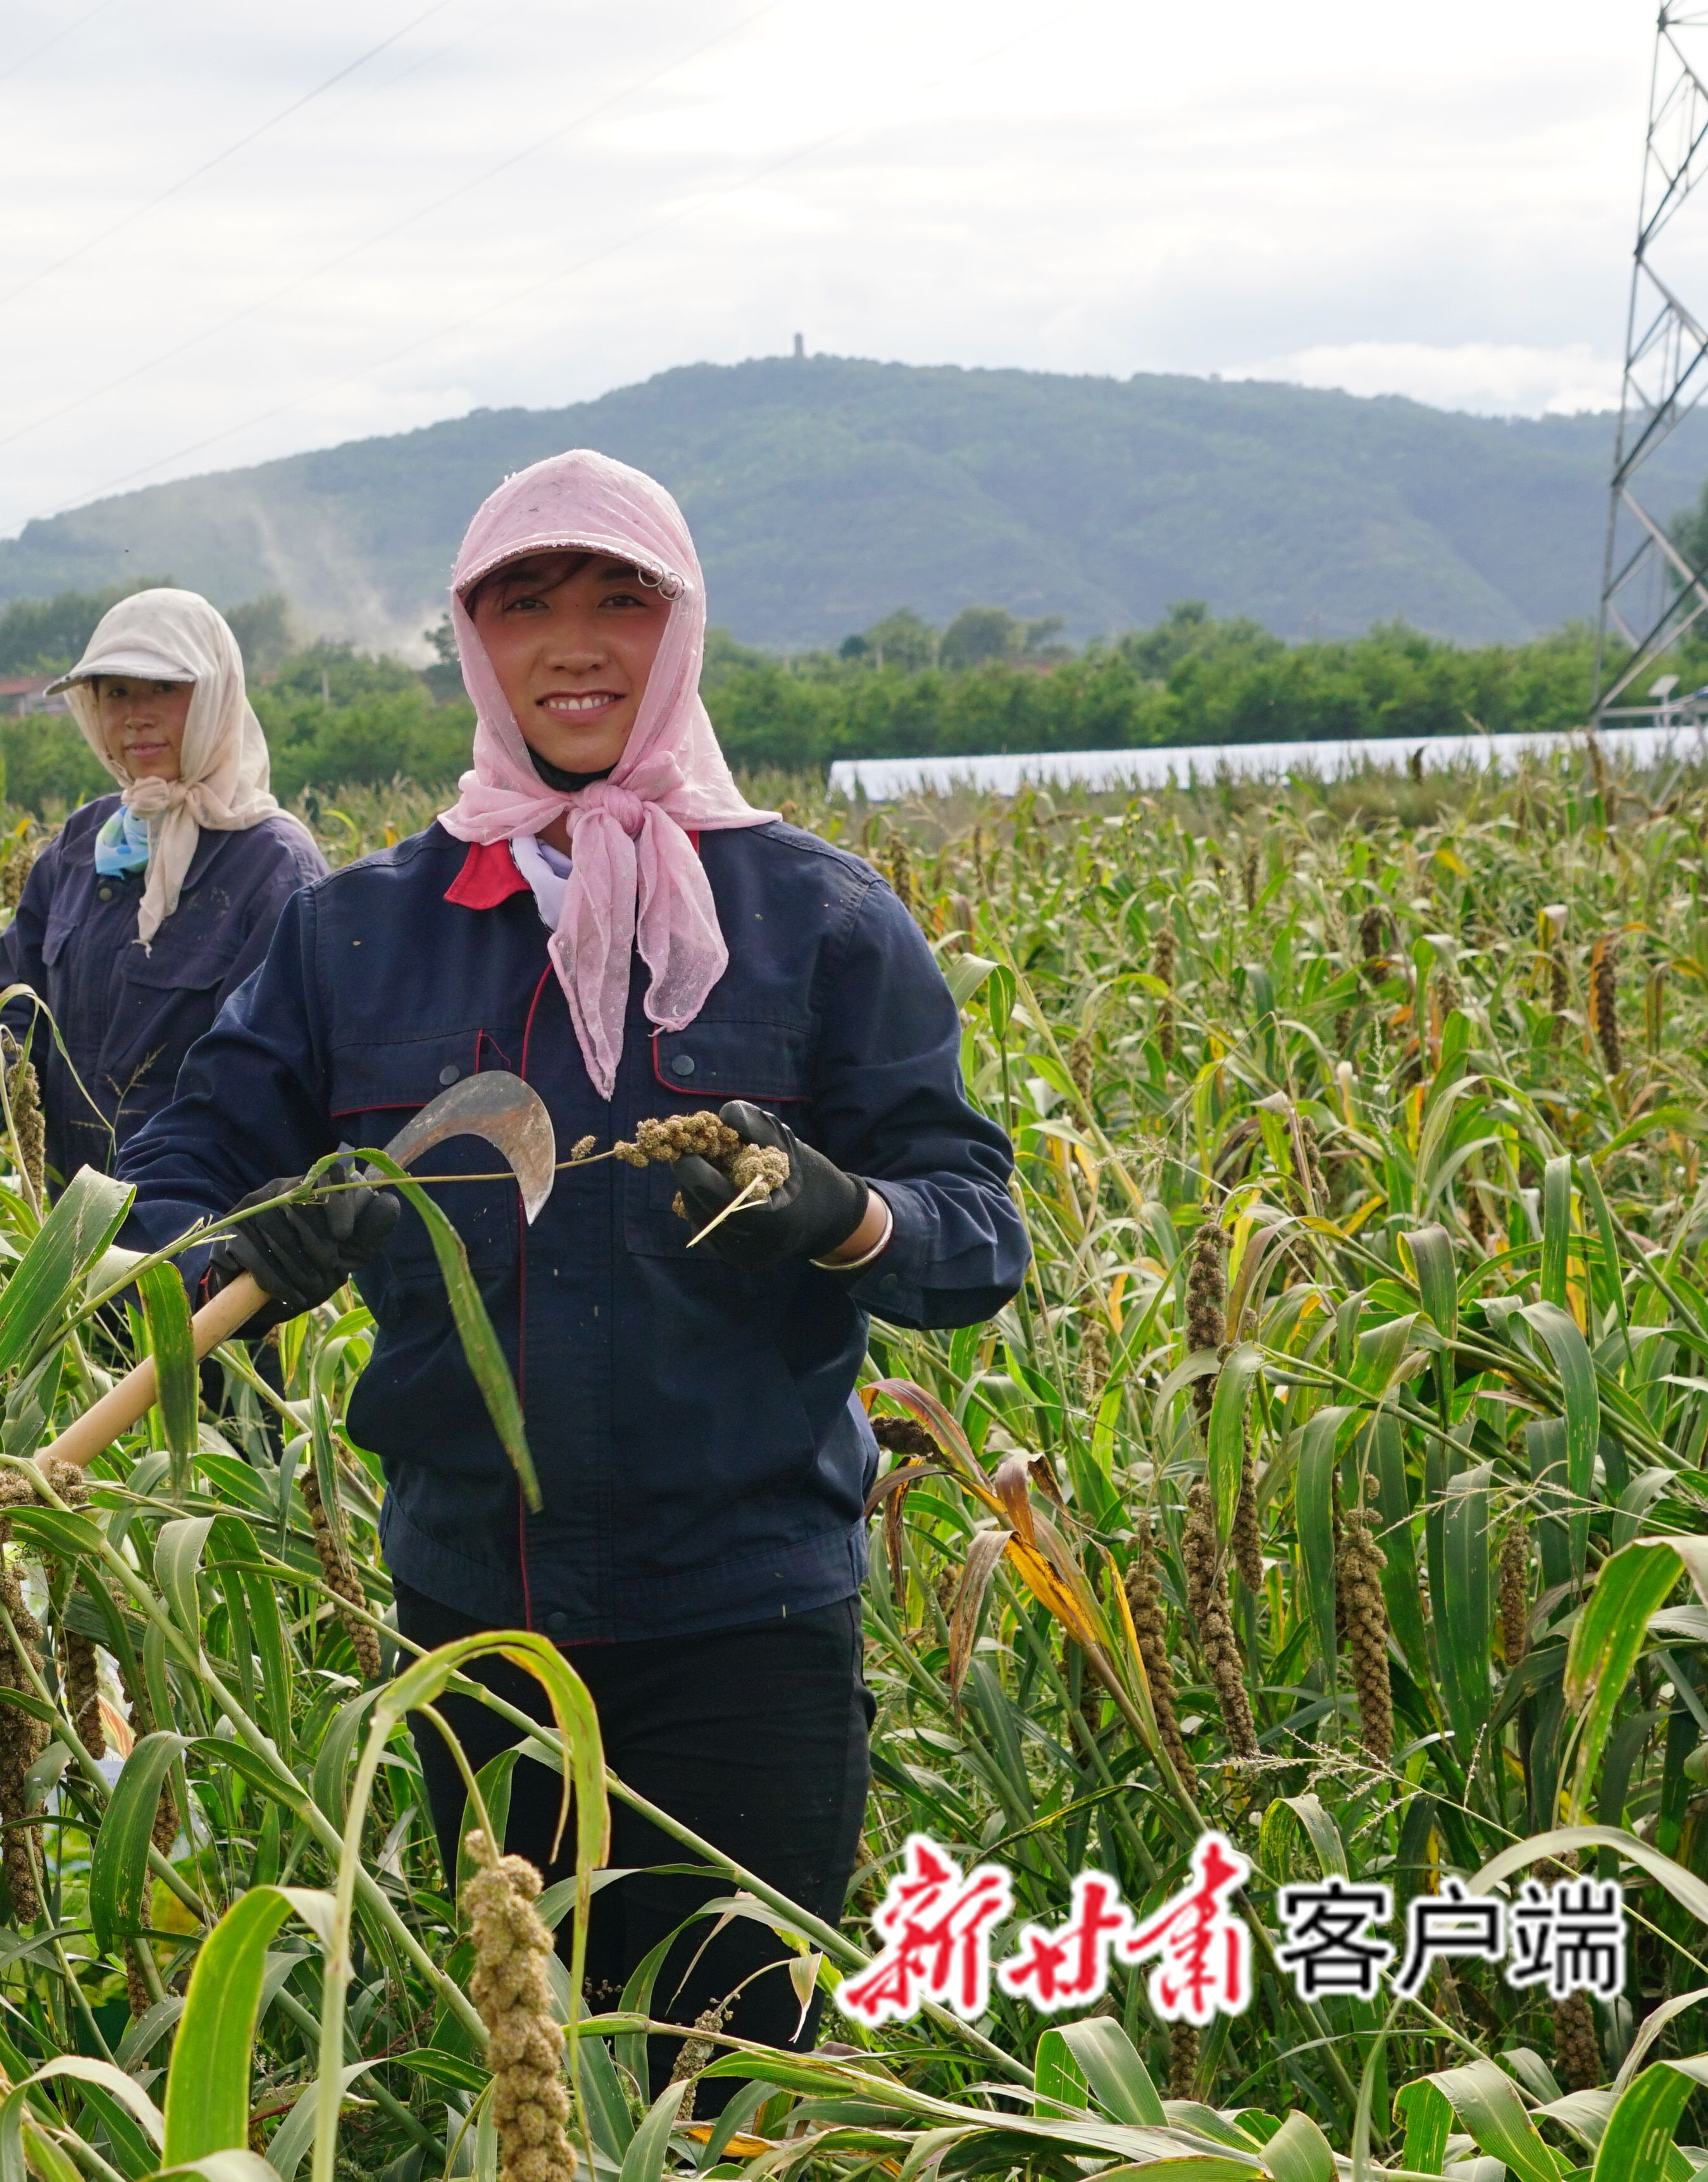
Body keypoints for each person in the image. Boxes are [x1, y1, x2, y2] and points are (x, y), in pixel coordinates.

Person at [109, 451, 1027, 2071]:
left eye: (621, 597)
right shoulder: (363, 930)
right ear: (474, 640)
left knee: (727, 2081)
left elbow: (977, 1230)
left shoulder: (814, 918)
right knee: (530, 2084)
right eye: (527, 603)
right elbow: (167, 1190)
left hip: (745, 1628)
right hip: (474, 1630)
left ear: (679, 629)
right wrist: (236, 1245)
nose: (576, 642)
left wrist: (846, 1211)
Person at [0, 589, 325, 1183]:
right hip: (71, 1215)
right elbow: (22, 996)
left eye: (165, 689)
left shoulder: (272, 865)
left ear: (214, 698)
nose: (137, 714)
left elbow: (264, 1080)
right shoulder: (85, 844)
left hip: (202, 1225)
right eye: (117, 693)